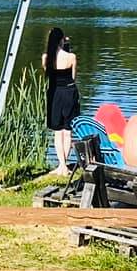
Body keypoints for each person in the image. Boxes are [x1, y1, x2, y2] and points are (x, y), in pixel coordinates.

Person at [41, 27, 80, 173]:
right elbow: (73, 77)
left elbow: (49, 74)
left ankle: (61, 164)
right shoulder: (71, 57)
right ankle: (65, 164)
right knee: (68, 130)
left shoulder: (46, 58)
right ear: (61, 40)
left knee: (57, 131)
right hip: (69, 92)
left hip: (54, 93)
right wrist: (67, 47)